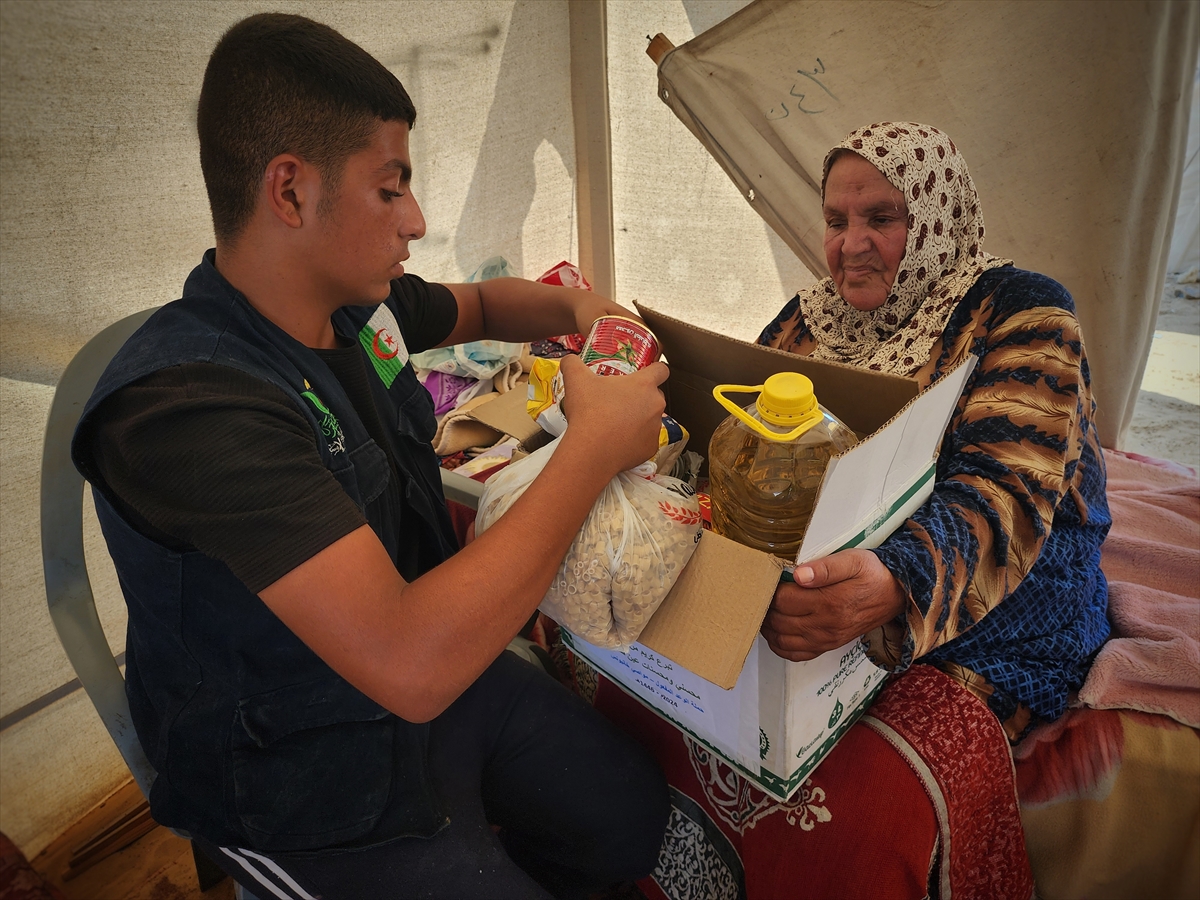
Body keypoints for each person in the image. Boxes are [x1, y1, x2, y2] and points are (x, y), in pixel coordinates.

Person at [70, 13, 670, 900]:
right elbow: (409, 661)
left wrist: (589, 318)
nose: (418, 221)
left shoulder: (352, 312)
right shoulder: (189, 410)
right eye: (391, 189)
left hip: (413, 693)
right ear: (289, 192)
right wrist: (595, 445)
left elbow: (480, 305)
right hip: (297, 777)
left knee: (627, 820)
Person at [585, 123, 1111, 899]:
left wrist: (893, 585)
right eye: (836, 222)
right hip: (827, 565)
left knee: (860, 814)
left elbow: (1001, 493)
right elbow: (739, 443)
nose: (851, 245)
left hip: (1001, 576)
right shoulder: (807, 321)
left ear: (935, 219)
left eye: (883, 219)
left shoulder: (1026, 316)